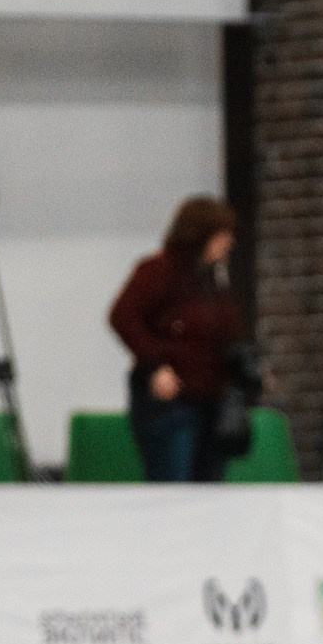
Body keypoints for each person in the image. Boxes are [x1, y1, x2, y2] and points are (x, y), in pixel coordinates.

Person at [108, 197, 245, 482]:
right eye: (222, 235)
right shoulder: (160, 270)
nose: (229, 243)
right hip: (171, 405)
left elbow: (224, 333)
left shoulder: (212, 280)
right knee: (173, 489)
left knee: (209, 494)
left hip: (210, 403)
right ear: (202, 235)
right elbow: (123, 316)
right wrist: (155, 365)